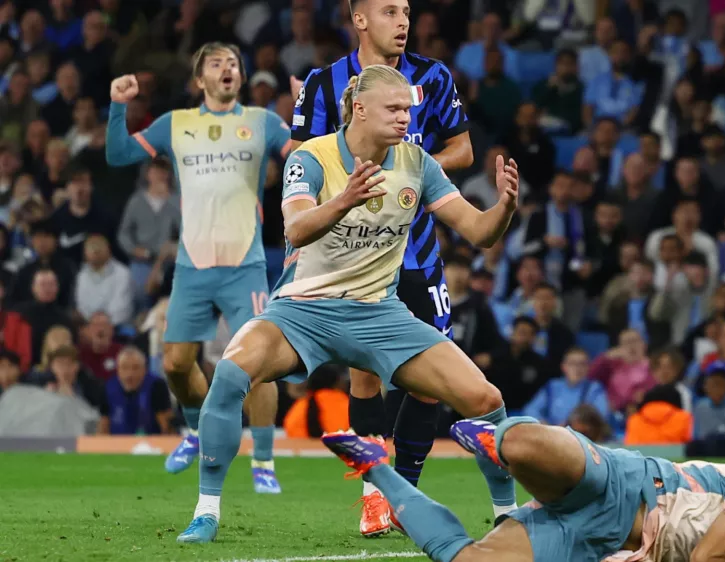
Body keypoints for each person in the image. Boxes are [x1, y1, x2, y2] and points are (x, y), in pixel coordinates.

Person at [175, 64, 521, 544]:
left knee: (486, 400)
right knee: (233, 373)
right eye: (394, 109)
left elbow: (480, 233)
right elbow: (295, 229)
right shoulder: (311, 158)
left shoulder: (417, 162)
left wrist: (503, 209)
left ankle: (509, 517)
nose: (405, 119)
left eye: (408, 109)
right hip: (302, 312)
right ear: (359, 109)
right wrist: (344, 200)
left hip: (380, 314)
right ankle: (206, 512)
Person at [291, 0, 475, 536]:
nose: (403, 21)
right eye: (390, 10)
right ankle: (375, 496)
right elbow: (302, 157)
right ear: (360, 19)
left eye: (408, 11)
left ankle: (406, 491)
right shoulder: (325, 83)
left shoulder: (433, 76)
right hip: (355, 251)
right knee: (366, 373)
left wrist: (411, 171)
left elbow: (463, 147)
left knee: (430, 381)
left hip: (416, 247)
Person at [104, 43, 291, 492]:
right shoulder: (176, 124)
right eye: (216, 63)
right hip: (192, 266)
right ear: (199, 79)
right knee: (174, 364)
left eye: (233, 64)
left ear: (241, 77)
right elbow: (117, 155)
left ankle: (263, 461)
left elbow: (308, 154)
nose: (227, 68)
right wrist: (117, 105)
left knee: (259, 364)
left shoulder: (262, 122)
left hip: (244, 265)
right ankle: (196, 431)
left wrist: (308, 115)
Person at [323, 418, 725, 562]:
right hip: (630, 486)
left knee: (469, 559)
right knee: (526, 449)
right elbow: (707, 553)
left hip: (597, 540)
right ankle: (497, 438)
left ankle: (376, 468)